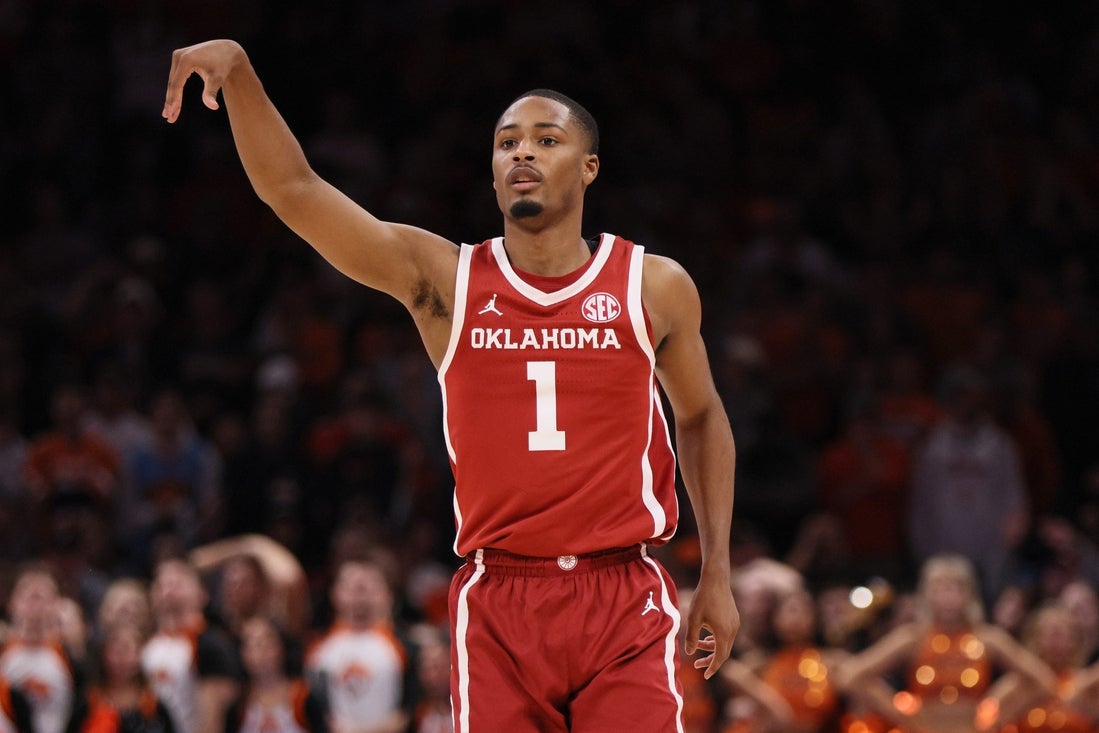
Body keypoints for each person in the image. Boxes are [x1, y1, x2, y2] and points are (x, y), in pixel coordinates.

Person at [163, 38, 740, 732]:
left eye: (546, 140)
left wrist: (717, 570)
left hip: (622, 593)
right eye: (506, 143)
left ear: (589, 166)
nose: (522, 153)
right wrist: (240, 74)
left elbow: (700, 416)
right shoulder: (448, 282)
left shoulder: (653, 286)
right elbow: (295, 191)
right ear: (492, 174)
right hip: (500, 598)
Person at [834, 554, 1058, 733]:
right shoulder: (913, 638)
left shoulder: (988, 638)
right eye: (939, 589)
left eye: (954, 588)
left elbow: (1043, 680)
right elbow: (850, 676)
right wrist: (898, 711)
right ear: (927, 595)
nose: (947, 597)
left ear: (969, 594)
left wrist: (999, 707)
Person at [304, 560, 407, 733]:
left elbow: (409, 708)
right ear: (335, 594)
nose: (359, 595)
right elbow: (314, 708)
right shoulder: (317, 647)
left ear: (388, 596)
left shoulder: (404, 646)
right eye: (351, 587)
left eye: (368, 587)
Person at [140, 559, 241, 733]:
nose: (168, 590)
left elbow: (214, 717)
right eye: (162, 584)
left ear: (202, 594)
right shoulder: (147, 645)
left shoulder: (210, 644)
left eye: (178, 583)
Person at [65, 621, 175, 733]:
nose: (121, 657)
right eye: (116, 650)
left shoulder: (153, 706)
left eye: (127, 649)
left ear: (139, 654)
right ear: (104, 653)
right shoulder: (89, 702)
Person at [225, 616, 327, 733]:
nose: (260, 651)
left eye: (265, 642)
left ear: (282, 646)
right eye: (250, 644)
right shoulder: (238, 705)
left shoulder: (303, 698)